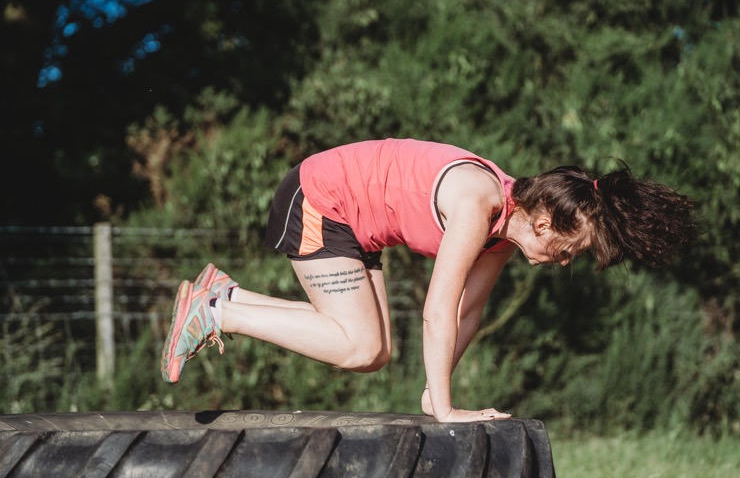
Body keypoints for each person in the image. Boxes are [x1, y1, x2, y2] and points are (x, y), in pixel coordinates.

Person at [160, 138, 699, 423]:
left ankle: (225, 298)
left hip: (352, 220)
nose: (564, 262)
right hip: (319, 197)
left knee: (370, 352)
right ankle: (219, 312)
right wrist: (446, 410)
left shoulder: (503, 233)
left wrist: (431, 390)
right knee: (359, 348)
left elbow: (468, 312)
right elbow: (437, 310)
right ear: (542, 223)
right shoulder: (477, 203)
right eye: (568, 250)